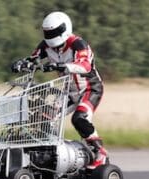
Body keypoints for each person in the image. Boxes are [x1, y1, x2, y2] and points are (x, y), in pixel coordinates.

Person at [11, 11, 107, 169]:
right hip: (68, 91)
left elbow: (85, 66)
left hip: (89, 89)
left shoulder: (78, 44)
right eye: (47, 32)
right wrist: (22, 64)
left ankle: (99, 152)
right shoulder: (46, 45)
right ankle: (49, 156)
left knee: (80, 118)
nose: (50, 36)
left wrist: (62, 66)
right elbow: (33, 59)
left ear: (65, 29)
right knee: (45, 117)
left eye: (54, 32)